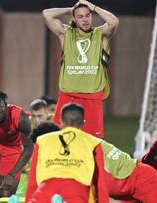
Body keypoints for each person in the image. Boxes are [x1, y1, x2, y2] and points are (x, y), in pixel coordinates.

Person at [27, 104, 157, 203]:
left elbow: (97, 186)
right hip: (127, 193)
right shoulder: (76, 148)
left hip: (141, 181)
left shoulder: (83, 147)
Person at [42, 0, 119, 138]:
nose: (85, 20)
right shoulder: (66, 34)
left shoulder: (100, 34)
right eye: (80, 16)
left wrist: (93, 7)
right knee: (59, 138)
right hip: (68, 95)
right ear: (74, 18)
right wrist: (70, 9)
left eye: (88, 15)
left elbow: (113, 21)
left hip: (92, 97)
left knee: (93, 142)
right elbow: (47, 14)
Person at [25, 103, 109, 203]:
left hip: (46, 190)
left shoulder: (42, 140)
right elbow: (100, 184)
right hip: (77, 190)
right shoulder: (93, 142)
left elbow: (32, 181)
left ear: (61, 122)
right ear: (83, 123)